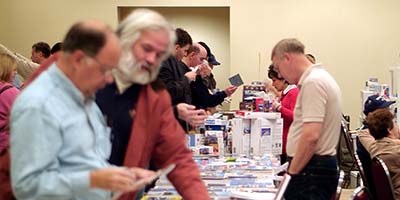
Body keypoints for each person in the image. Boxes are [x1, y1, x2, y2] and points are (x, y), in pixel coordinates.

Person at [10, 20, 155, 200]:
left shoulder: (85, 99)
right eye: (106, 69)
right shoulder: (38, 104)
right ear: (78, 59)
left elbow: (86, 161)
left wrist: (120, 174)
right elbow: (28, 187)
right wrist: (93, 180)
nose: (110, 80)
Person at [95, 9, 210, 200]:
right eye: (146, 49)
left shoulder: (153, 97)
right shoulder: (82, 80)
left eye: (159, 55)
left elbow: (178, 158)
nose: (151, 60)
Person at [271, 38, 342, 199]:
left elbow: (311, 136)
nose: (280, 74)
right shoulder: (319, 78)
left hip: (310, 170)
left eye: (278, 68)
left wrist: (292, 172)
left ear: (287, 58)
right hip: (313, 168)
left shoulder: (313, 83)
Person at [158, 28, 207, 128]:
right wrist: (186, 79)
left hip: (179, 121)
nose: (185, 54)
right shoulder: (163, 64)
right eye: (185, 50)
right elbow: (168, 91)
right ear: (176, 48)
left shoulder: (174, 63)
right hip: (169, 122)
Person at [359, 108, 400, 199]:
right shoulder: (396, 152)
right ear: (389, 130)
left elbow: (363, 133)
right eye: (396, 124)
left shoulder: (374, 147)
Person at [267, 64, 298, 164]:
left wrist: (279, 108)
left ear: (284, 79)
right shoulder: (286, 93)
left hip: (290, 144)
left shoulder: (294, 93)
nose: (273, 84)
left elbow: (296, 116)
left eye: (274, 80)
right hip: (283, 143)